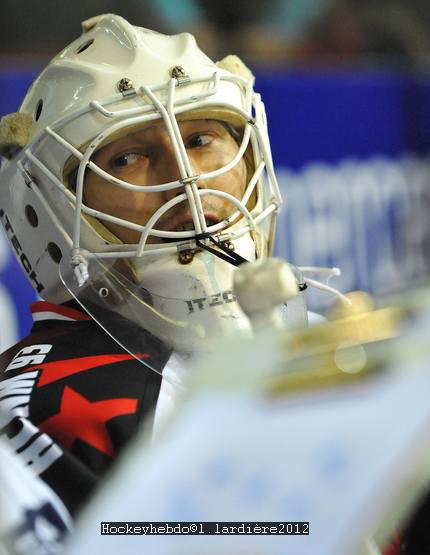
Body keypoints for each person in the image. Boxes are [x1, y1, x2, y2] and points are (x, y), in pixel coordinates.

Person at [0, 12, 299, 519]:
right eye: (127, 158)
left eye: (201, 140)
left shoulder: (324, 333)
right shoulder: (45, 408)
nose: (186, 180)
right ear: (47, 209)